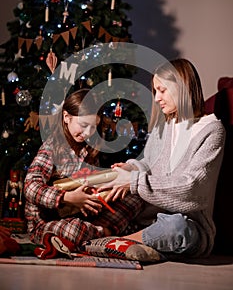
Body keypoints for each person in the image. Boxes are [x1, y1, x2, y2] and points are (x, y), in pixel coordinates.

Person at [99, 58, 226, 259]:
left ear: (182, 87)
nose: (157, 98)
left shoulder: (211, 130)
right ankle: (132, 240)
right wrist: (133, 168)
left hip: (189, 223)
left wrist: (134, 181)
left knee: (176, 229)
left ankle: (114, 242)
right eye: (155, 91)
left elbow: (193, 189)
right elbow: (149, 165)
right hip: (148, 215)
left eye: (162, 90)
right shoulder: (163, 127)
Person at [24, 89, 144, 248]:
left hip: (83, 216)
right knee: (74, 230)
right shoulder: (51, 147)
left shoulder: (88, 149)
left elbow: (89, 183)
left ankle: (98, 232)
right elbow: (30, 187)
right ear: (67, 117)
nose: (88, 133)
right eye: (84, 125)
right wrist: (67, 197)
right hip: (47, 223)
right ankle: (108, 233)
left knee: (135, 197)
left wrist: (102, 190)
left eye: (93, 127)